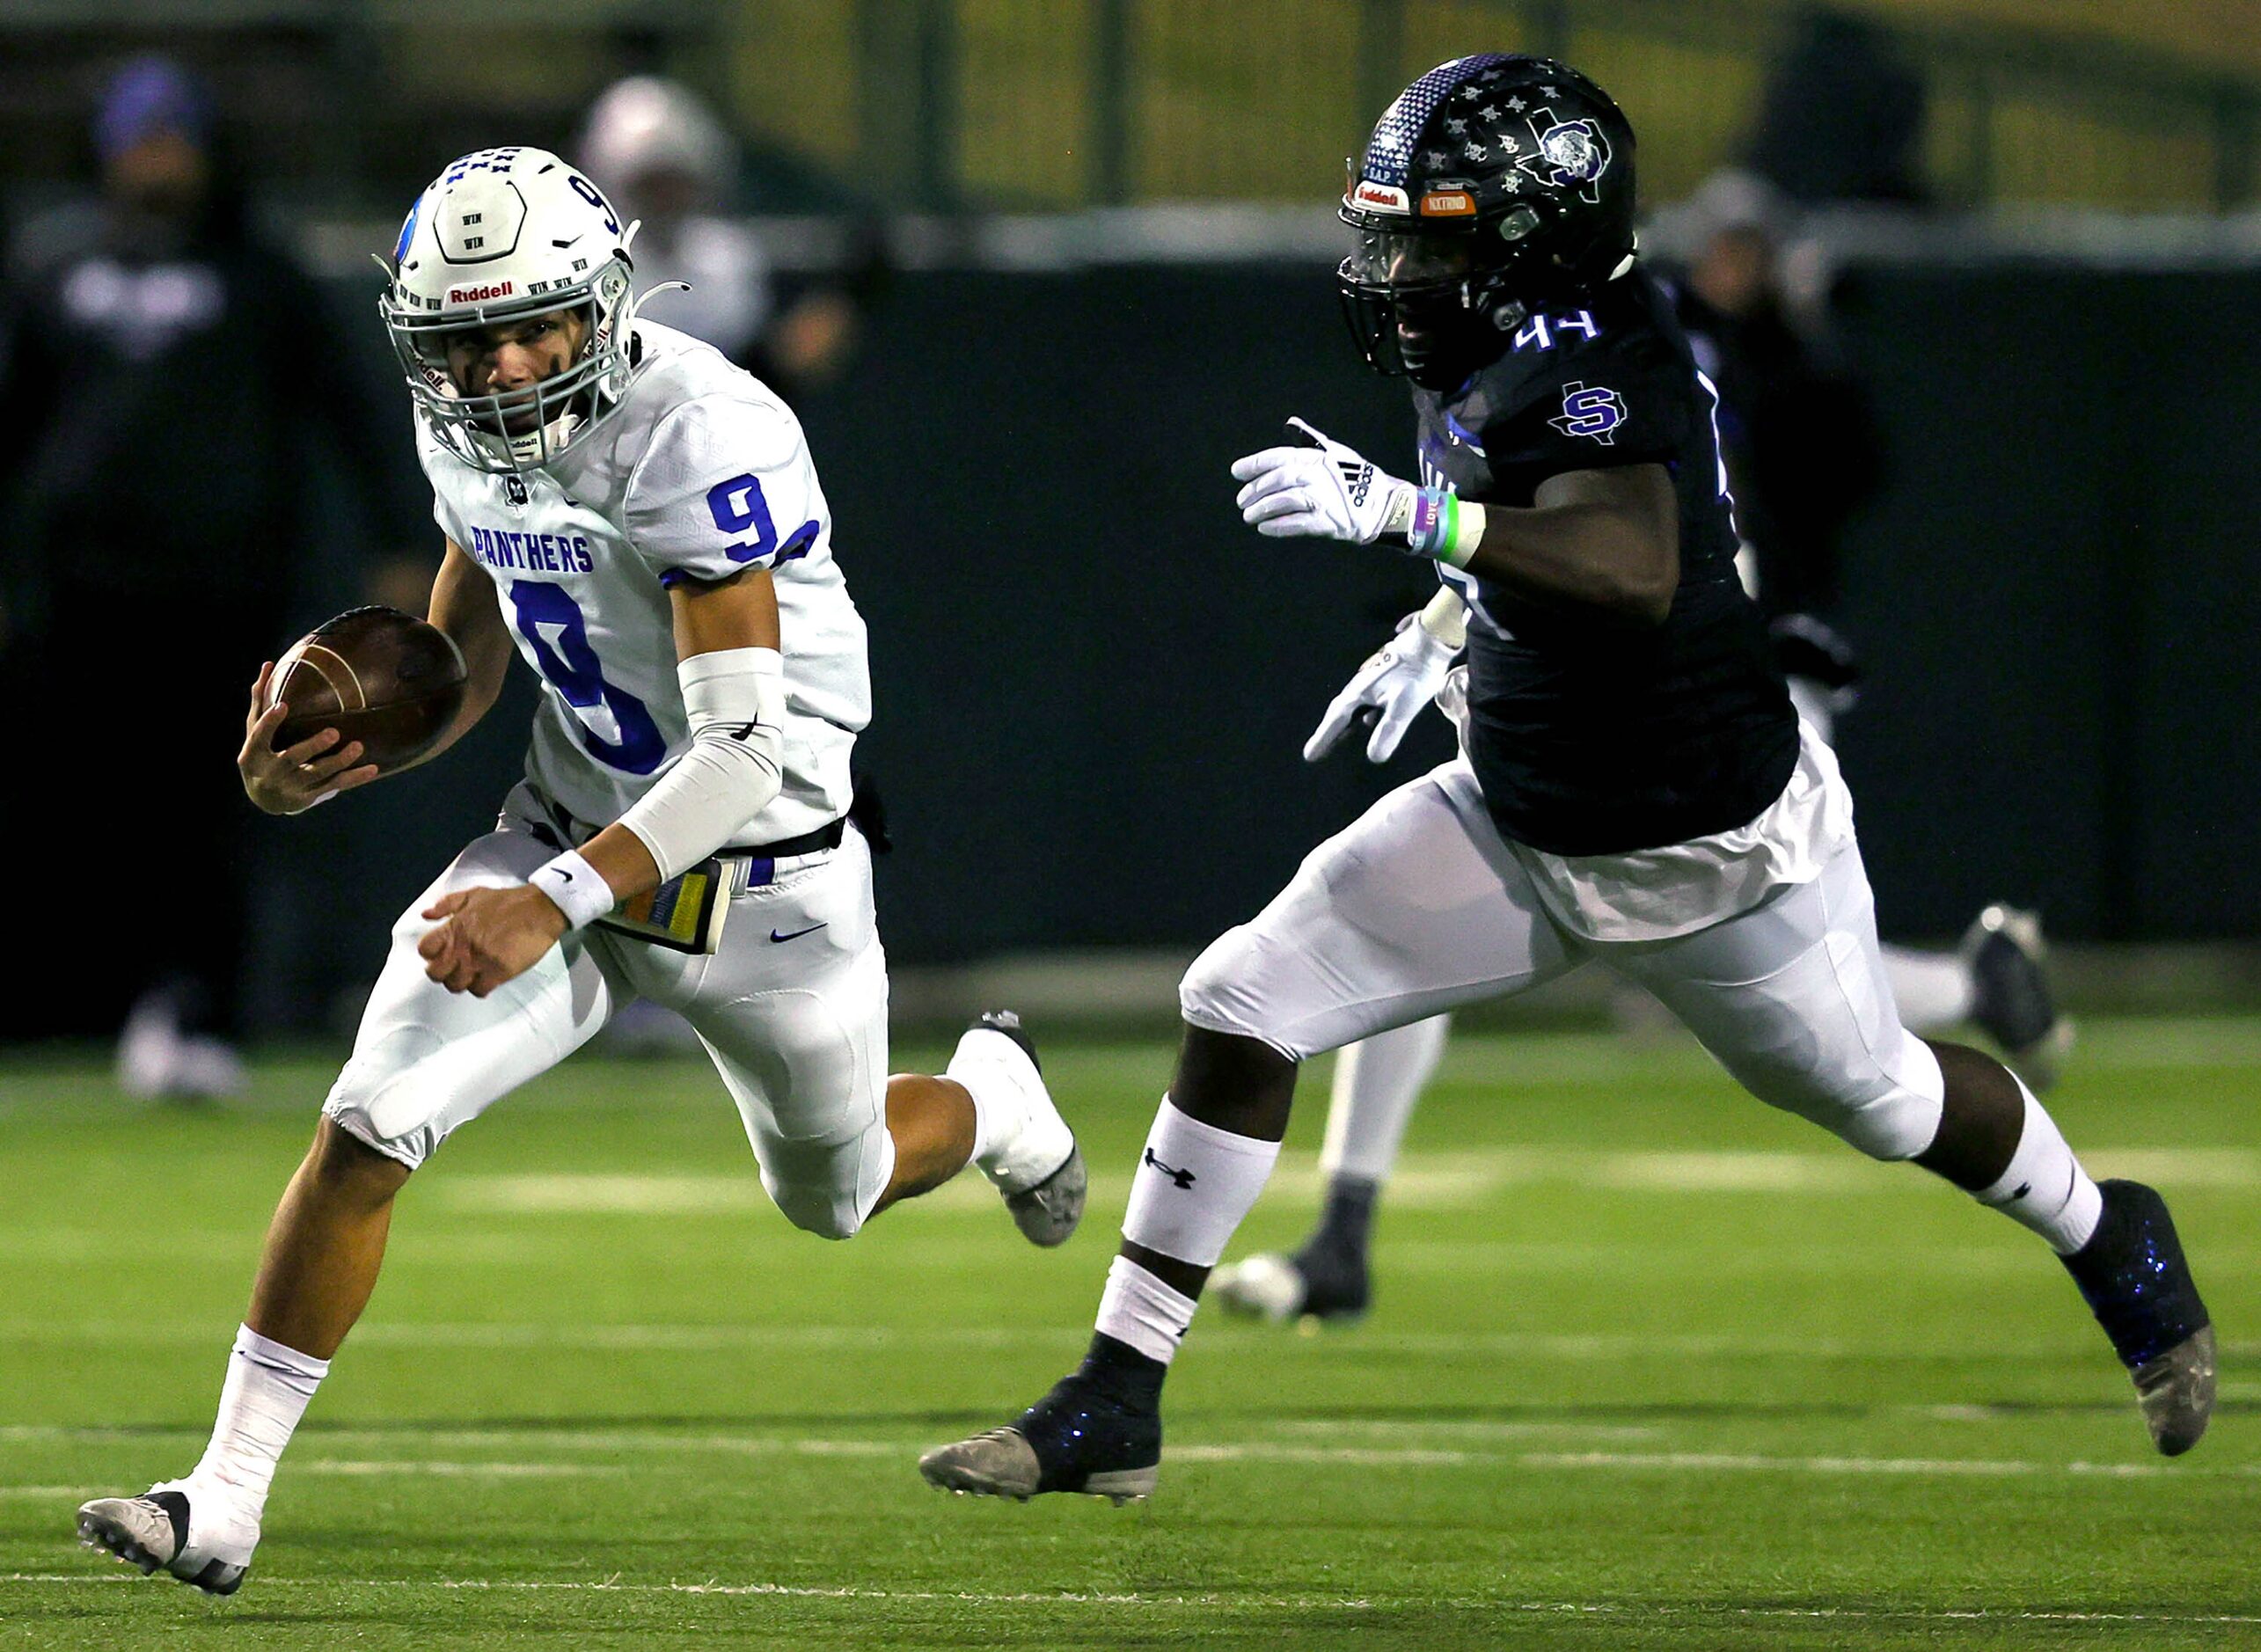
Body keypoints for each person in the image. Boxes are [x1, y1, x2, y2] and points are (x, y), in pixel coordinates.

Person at [917, 55, 2213, 1505]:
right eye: (1393, 227)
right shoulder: (1492, 338)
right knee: (1240, 996)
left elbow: (1632, 567)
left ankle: (2112, 1232)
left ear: (1533, 232)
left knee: (1888, 1099)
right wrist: (1449, 619)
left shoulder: (1600, 359)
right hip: (1522, 812)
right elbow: (1523, 528)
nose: (1398, 263)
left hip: (1704, 846)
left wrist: (1417, 522)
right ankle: (1118, 1393)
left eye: (1436, 231)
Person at [74, 147, 1087, 1596]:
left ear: (599, 302)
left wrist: (539, 903)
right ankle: (218, 1495)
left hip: (762, 874)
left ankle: (996, 1098)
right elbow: (473, 641)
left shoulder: (702, 431)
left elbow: (741, 754)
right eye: (455, 340)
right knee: (369, 1122)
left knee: (840, 1187)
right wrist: (324, 760)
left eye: (518, 328)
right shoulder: (465, 433)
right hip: (568, 830)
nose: (489, 367)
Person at [1207, 170, 2074, 1328]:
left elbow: (1644, 534)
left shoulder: (1639, 350)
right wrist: (1444, 616)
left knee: (1776, 1000)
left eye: (1745, 252)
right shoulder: (1579, 337)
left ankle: (1979, 1004)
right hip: (1611, 652)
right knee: (1467, 930)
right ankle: (1345, 1229)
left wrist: (1435, 549)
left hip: (1709, 670)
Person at [0, 56, 422, 1093]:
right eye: (138, 140)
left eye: (171, 139)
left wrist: (398, 538)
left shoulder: (258, 271)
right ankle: (86, 1010)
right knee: (84, 808)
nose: (156, 160)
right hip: (82, 591)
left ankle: (198, 1012)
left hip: (221, 589)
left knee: (217, 808)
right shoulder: (54, 265)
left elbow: (350, 409)